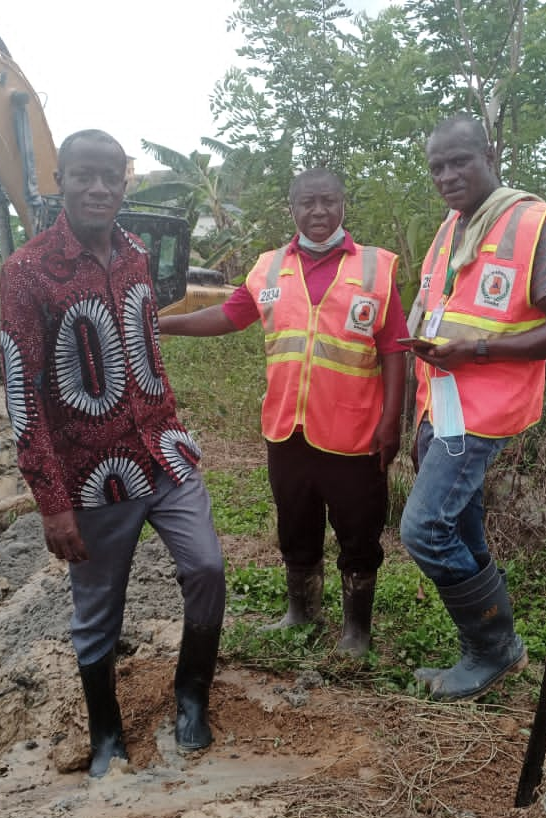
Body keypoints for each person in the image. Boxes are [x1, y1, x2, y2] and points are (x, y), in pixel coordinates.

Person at [0, 129, 227, 777]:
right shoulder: (26, 272)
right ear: (61, 181)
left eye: (110, 176)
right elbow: (24, 392)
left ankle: (191, 696)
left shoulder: (133, 254)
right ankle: (105, 734)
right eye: (83, 175)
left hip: (163, 452)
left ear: (125, 183)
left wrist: (169, 420)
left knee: (207, 569)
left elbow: (144, 347)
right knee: (98, 610)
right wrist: (52, 501)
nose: (98, 188)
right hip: (91, 475)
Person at [160, 167, 407, 658]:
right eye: (307, 204)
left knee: (358, 529)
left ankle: (356, 630)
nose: (318, 212)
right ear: (291, 210)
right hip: (287, 428)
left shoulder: (376, 268)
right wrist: (163, 325)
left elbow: (394, 346)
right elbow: (230, 315)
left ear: (342, 204)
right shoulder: (270, 267)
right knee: (295, 523)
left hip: (355, 431)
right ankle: (303, 612)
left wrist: (391, 420)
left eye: (328, 201)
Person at [400, 114, 546, 702]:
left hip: (483, 409)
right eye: (438, 167)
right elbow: (435, 319)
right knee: (458, 521)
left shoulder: (530, 224)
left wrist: (479, 351)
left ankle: (491, 648)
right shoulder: (453, 227)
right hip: (445, 406)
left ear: (490, 154)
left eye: (460, 161)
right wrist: (420, 416)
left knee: (425, 529)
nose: (449, 175)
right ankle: (492, 647)